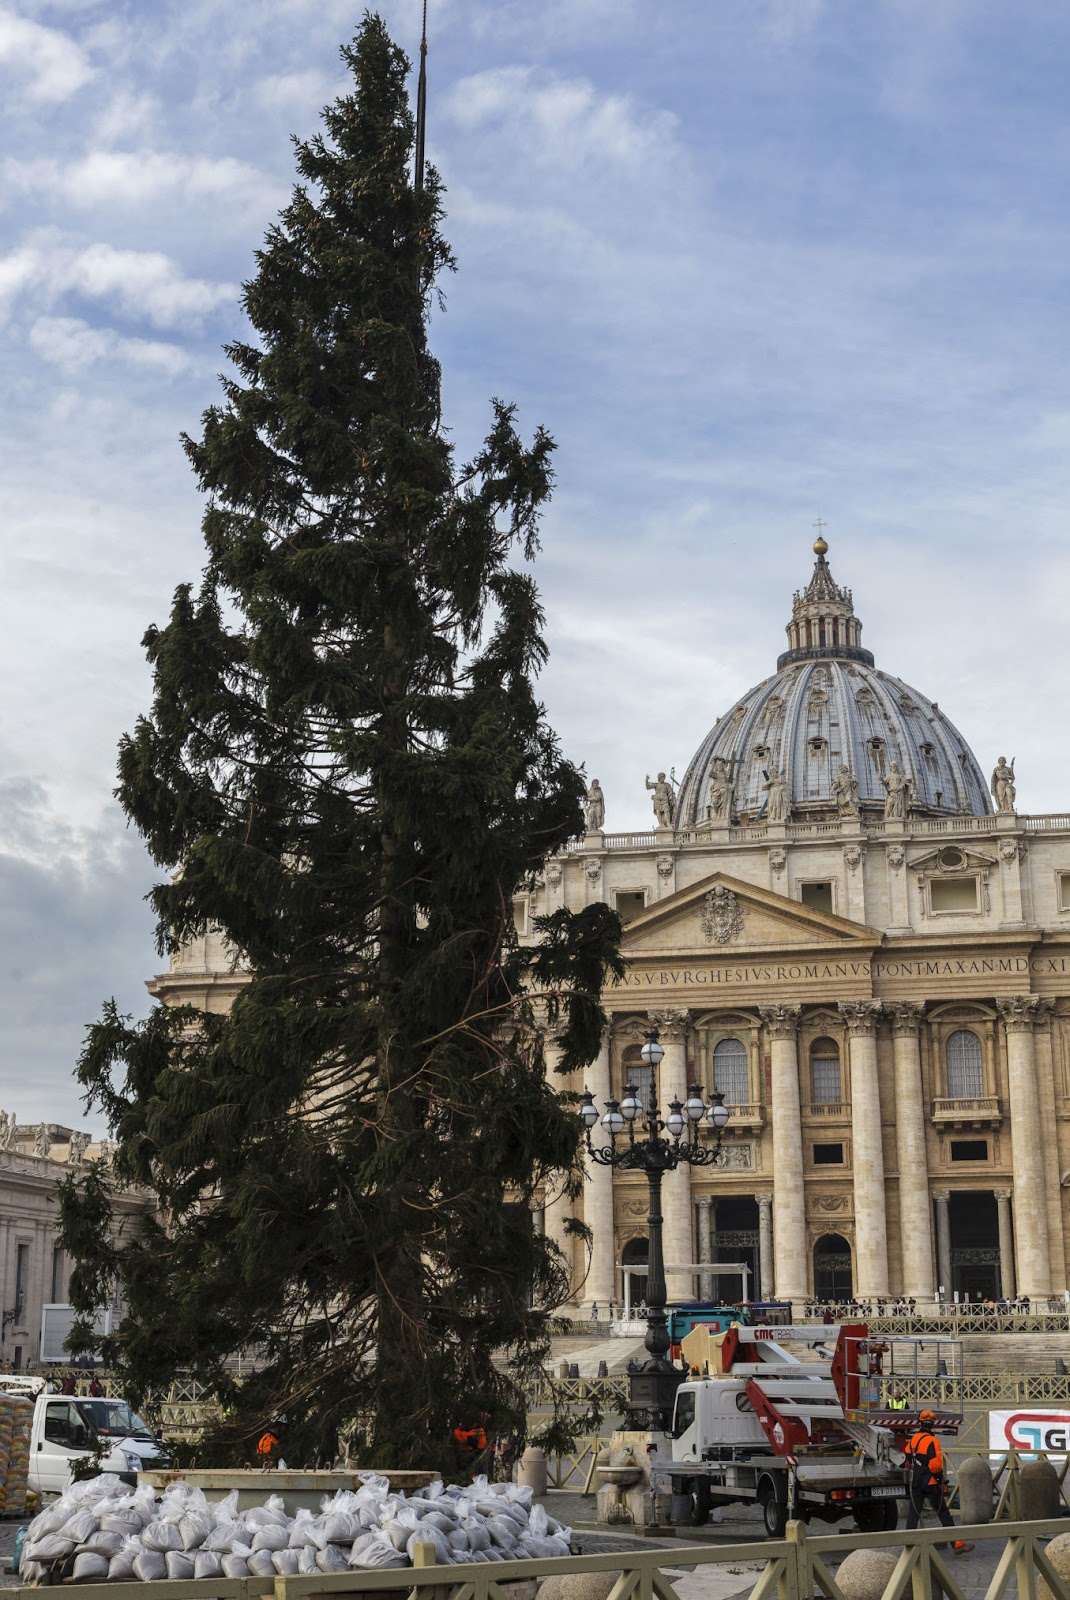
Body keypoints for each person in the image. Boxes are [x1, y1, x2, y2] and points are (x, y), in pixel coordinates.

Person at [903, 1411, 973, 1551]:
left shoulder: (913, 1440)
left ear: (920, 1422)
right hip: (930, 1482)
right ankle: (957, 1544)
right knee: (942, 1511)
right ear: (932, 1425)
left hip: (916, 1482)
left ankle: (909, 1545)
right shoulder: (932, 1441)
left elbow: (907, 1457)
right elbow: (935, 1465)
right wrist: (940, 1479)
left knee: (914, 1513)